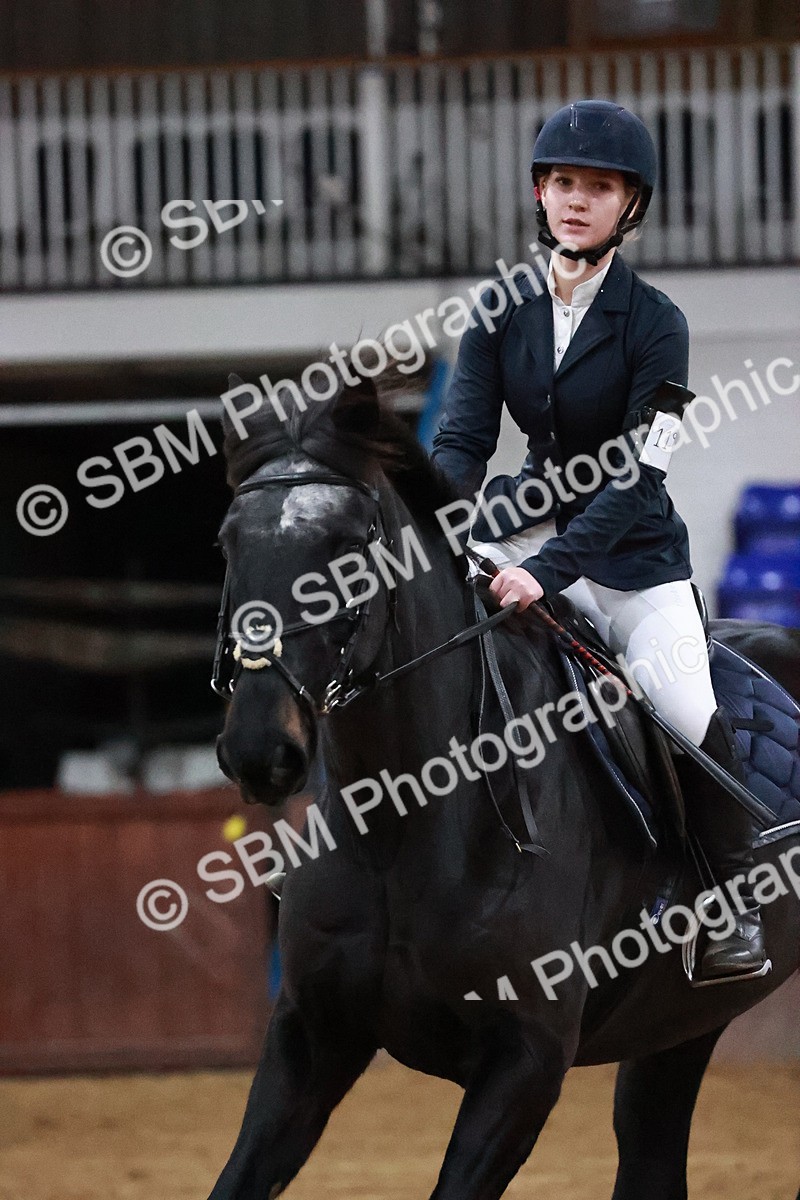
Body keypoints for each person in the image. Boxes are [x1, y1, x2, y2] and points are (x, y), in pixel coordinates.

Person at [430, 99, 766, 982]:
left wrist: (546, 571)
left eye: (599, 187)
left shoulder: (657, 324)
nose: (577, 200)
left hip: (632, 563)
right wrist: (438, 522)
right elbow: (463, 443)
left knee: (686, 714)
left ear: (630, 205)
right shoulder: (501, 309)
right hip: (526, 529)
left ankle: (728, 903)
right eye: (563, 182)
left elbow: (635, 477)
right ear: (540, 193)